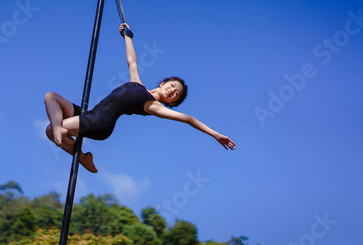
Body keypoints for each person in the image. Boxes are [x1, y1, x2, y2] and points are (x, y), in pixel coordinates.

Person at [44, 23, 236, 173]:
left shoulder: (153, 107)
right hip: (91, 113)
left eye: (175, 95)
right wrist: (127, 36)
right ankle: (77, 150)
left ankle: (75, 149)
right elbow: (132, 61)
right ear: (163, 83)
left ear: (172, 103)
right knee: (50, 97)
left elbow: (188, 119)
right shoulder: (138, 84)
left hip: (100, 123)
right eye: (172, 86)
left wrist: (215, 134)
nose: (172, 91)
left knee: (51, 130)